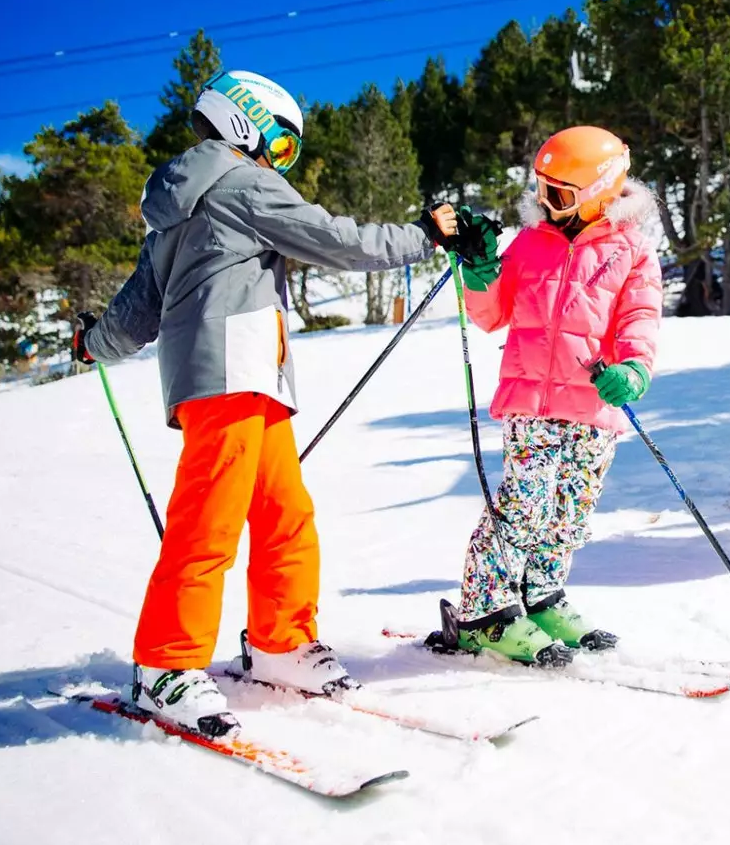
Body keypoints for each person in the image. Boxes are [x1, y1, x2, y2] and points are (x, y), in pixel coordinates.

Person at [74, 69, 478, 737]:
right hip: (230, 374)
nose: (278, 162)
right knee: (208, 522)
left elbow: (133, 313)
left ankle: (280, 643)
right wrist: (424, 234)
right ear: (243, 121)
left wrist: (93, 344)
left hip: (252, 377)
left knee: (284, 514)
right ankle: (165, 666)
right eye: (281, 145)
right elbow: (337, 240)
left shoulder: (177, 211)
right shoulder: (243, 182)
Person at [436, 125, 663, 666]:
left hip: (594, 406)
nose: (545, 203)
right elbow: (490, 315)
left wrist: (634, 369)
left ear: (599, 189)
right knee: (524, 510)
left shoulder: (631, 251)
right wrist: (482, 270)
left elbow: (640, 318)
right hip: (531, 406)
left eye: (557, 194)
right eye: (540, 190)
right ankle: (483, 613)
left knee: (569, 513)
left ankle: (540, 596)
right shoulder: (531, 244)